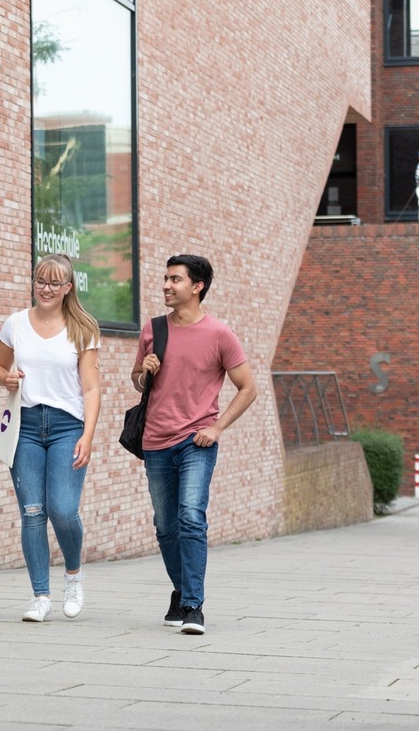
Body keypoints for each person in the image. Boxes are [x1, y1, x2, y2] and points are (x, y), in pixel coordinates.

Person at [131, 254, 257, 635]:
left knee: (190, 517)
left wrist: (217, 428)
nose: (167, 286)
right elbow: (137, 382)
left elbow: (248, 389)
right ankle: (182, 589)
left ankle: (192, 605)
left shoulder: (220, 334)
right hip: (155, 440)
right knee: (165, 526)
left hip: (197, 441)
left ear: (197, 286)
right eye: (166, 279)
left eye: (176, 280)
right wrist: (144, 373)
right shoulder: (153, 329)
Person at [0, 253, 101, 622]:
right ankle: (40, 595)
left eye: (55, 283)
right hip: (26, 426)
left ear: (68, 288)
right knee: (33, 512)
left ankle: (73, 575)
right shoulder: (16, 323)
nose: (46, 289)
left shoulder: (82, 328)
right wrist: (3, 377)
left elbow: (91, 387)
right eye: (41, 281)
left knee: (63, 510)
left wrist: (88, 434)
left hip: (68, 426)